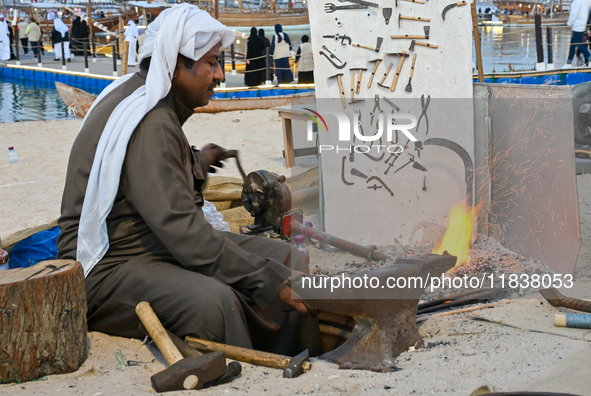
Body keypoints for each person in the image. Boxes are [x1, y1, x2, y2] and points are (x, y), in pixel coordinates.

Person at [56, 3, 322, 356]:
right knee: (215, 303)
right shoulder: (152, 123)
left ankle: (307, 356)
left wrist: (197, 160)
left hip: (151, 246)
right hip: (106, 267)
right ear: (177, 64)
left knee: (286, 258)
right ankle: (260, 365)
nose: (220, 75)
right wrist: (265, 281)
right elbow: (184, 233)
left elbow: (146, 176)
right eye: (212, 62)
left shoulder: (147, 103)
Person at [562, 0, 591, 68]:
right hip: (584, 24)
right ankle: (568, 62)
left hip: (577, 25)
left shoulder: (577, 1)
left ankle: (590, 59)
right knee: (573, 44)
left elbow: (574, 13)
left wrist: (569, 23)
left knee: (579, 44)